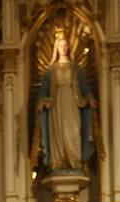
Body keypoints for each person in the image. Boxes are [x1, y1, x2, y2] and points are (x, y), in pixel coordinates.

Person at [37, 31, 95, 173]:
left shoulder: (76, 69)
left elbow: (84, 87)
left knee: (73, 131)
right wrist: (41, 101)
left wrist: (89, 98)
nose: (63, 48)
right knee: (58, 133)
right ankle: (58, 162)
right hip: (55, 106)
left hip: (72, 103)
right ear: (57, 48)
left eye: (65, 46)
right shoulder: (51, 70)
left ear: (68, 48)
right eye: (61, 46)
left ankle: (74, 161)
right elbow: (44, 89)